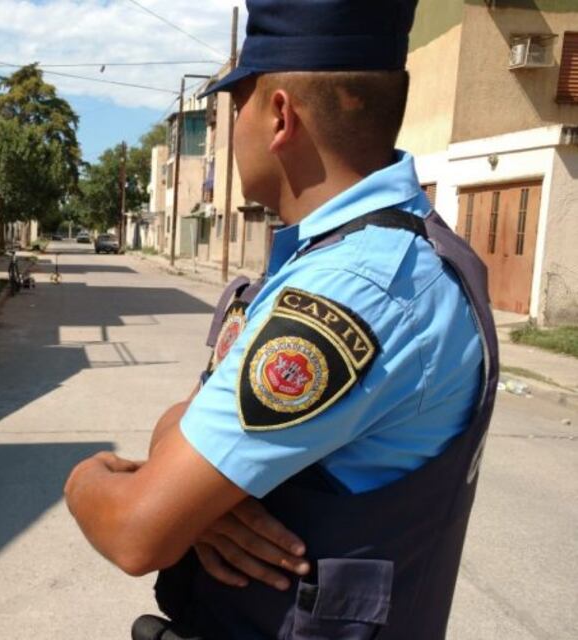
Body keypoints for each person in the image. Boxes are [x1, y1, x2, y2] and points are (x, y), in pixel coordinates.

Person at [65, 1, 499, 638]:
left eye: (235, 103)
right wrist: (198, 503)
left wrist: (84, 475)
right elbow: (183, 423)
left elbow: (136, 530)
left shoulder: (352, 290)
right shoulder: (360, 256)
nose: (232, 124)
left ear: (277, 115)